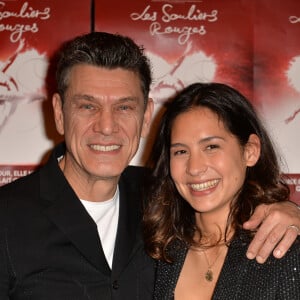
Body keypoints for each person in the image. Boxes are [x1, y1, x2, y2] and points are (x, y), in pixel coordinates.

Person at [0, 32, 299, 300]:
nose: (106, 127)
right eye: (87, 106)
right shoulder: (7, 217)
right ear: (59, 113)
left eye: (124, 107)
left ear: (145, 118)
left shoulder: (161, 199)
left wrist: (292, 213)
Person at [143, 82, 300, 299]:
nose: (195, 168)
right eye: (180, 151)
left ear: (250, 151)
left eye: (211, 147)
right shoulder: (159, 249)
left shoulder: (284, 252)